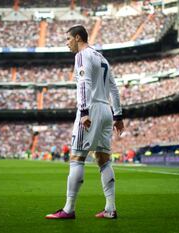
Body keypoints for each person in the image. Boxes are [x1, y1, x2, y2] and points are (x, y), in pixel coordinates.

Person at [46, 25, 124, 220]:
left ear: (78, 38)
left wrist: (84, 111)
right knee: (103, 158)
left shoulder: (82, 55)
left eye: (68, 39)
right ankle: (110, 208)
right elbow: (114, 88)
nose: (67, 43)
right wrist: (118, 115)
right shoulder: (102, 57)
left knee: (77, 157)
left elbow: (84, 83)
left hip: (91, 109)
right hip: (106, 110)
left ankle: (69, 209)